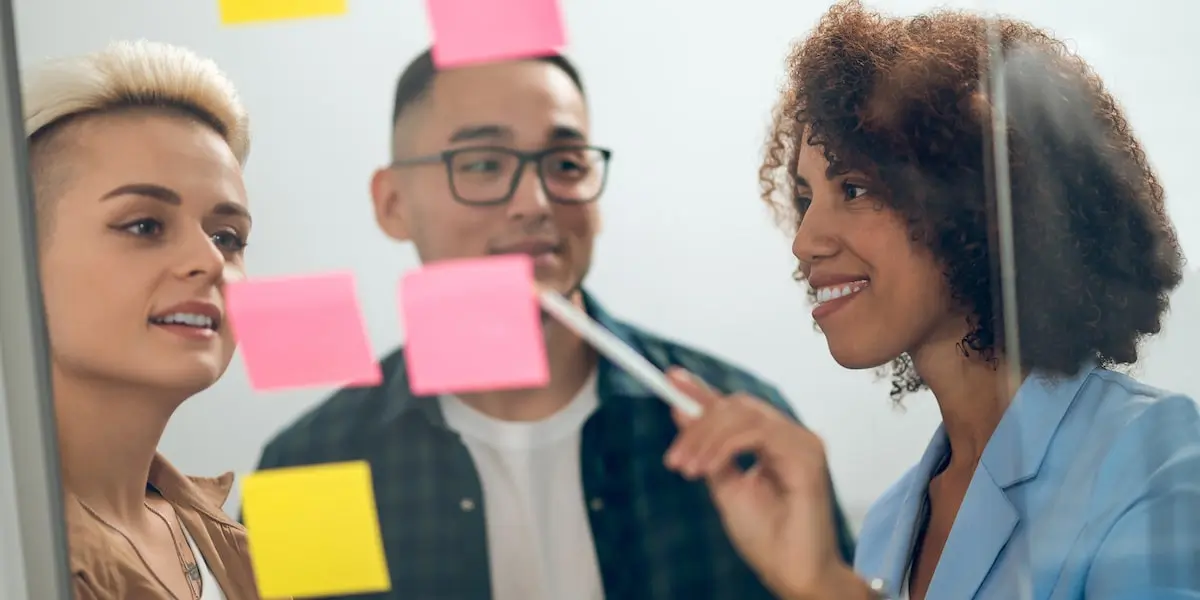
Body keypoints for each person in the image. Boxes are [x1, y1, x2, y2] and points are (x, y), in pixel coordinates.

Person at [252, 48, 855, 599]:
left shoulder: (740, 442)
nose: (536, 202)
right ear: (393, 204)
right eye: (484, 164)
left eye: (565, 163)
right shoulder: (310, 468)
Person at [663, 2, 1200, 599]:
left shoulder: (1153, 456)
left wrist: (823, 586)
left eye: (854, 187)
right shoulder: (889, 525)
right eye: (805, 195)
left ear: (980, 200)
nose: (805, 240)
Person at [25, 40, 267, 599]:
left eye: (226, 237)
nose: (208, 261)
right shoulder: (22, 550)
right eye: (144, 226)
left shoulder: (233, 547)